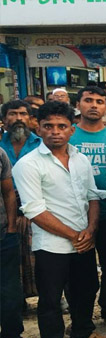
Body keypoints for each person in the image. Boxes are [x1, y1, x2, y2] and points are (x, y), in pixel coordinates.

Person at [13, 101, 106, 338]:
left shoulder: (80, 159)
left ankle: (82, 333)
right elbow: (35, 210)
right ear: (38, 128)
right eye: (48, 126)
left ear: (72, 130)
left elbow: (93, 196)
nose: (55, 132)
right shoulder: (28, 165)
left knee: (87, 288)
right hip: (52, 244)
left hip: (83, 239)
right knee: (50, 299)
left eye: (62, 126)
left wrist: (90, 230)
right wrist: (74, 235)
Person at [70, 86, 106, 332]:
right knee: (80, 271)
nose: (94, 105)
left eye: (99, 101)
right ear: (78, 105)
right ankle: (80, 318)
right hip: (76, 216)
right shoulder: (68, 136)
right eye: (88, 100)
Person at [0, 145, 40, 338]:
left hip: (3, 234)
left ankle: (12, 334)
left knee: (10, 289)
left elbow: (8, 192)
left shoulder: (0, 154)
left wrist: (12, 227)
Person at [0, 100, 42, 298]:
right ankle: (17, 302)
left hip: (38, 212)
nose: (18, 118)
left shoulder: (41, 144)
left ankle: (49, 297)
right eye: (13, 114)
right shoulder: (0, 146)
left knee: (40, 260)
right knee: (12, 263)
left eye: (23, 114)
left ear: (30, 118)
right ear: (3, 119)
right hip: (7, 214)